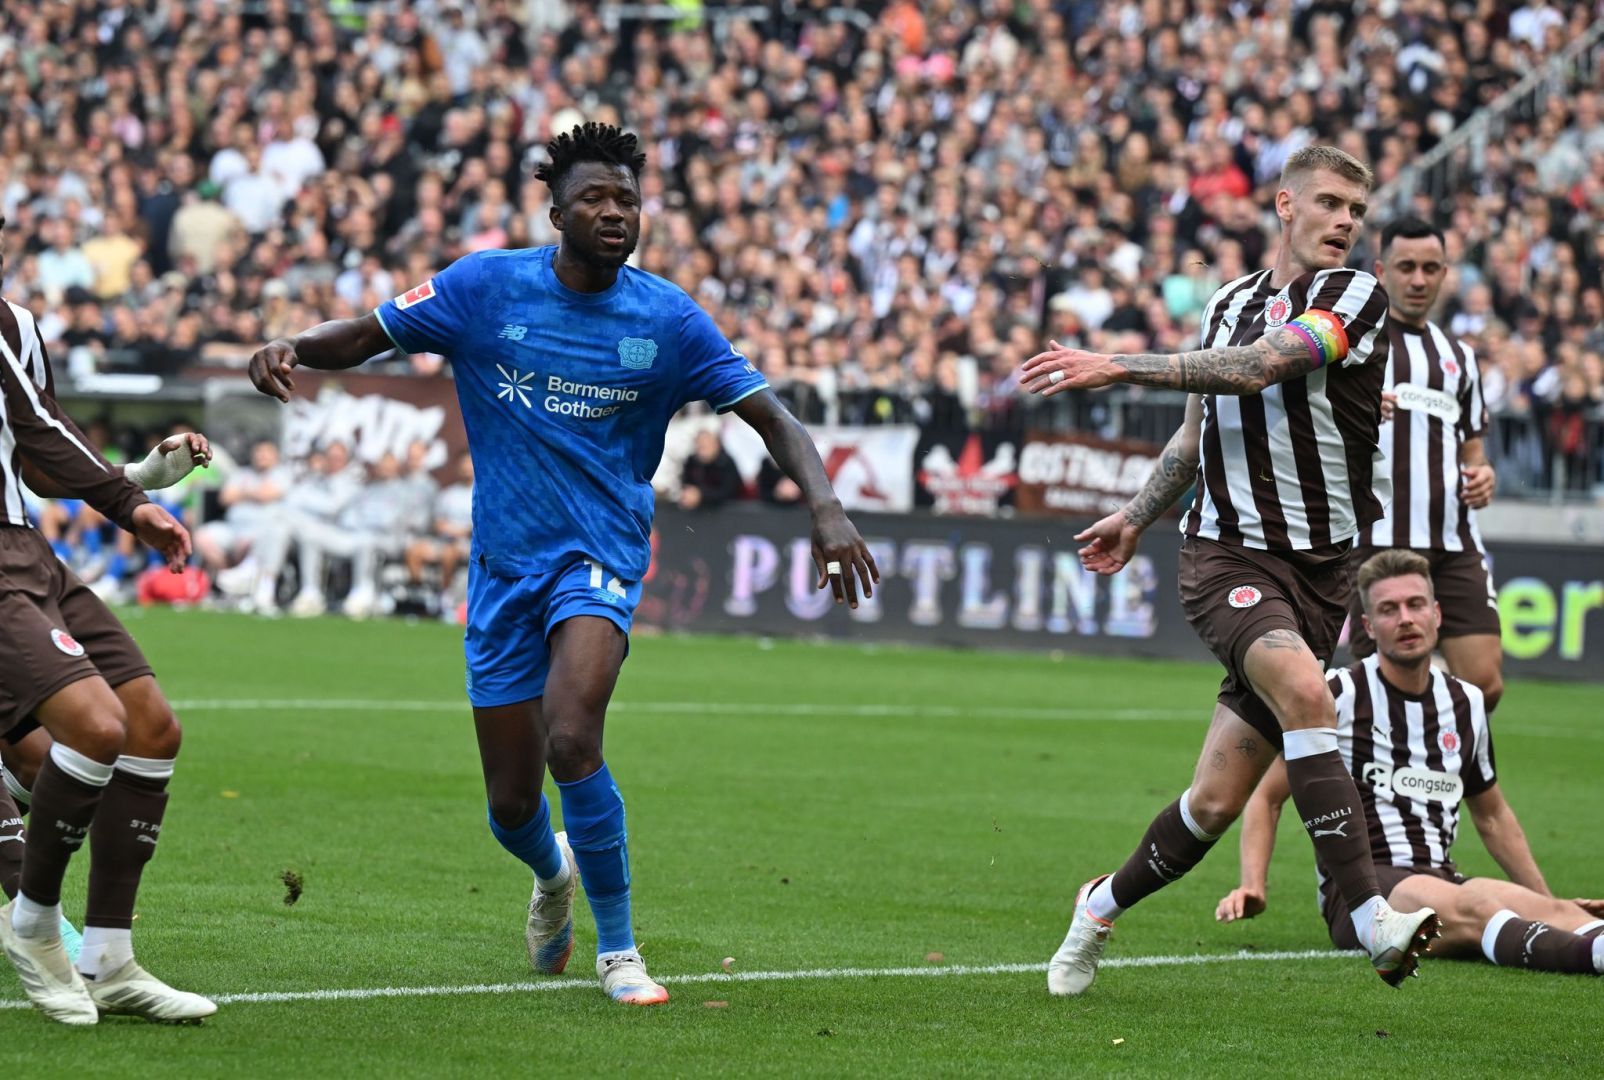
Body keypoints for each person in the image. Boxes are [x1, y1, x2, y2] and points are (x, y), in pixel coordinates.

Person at [248, 123, 879, 1006]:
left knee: (573, 734)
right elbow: (365, 334)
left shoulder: (668, 318)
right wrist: (291, 347)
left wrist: (827, 507)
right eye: (594, 198)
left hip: (603, 555)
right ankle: (553, 878)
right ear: (555, 211)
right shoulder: (481, 289)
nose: (614, 212)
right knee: (511, 804)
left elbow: (771, 414)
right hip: (506, 568)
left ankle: (620, 953)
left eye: (627, 198)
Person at [1021, 145, 1439, 995]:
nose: (1345, 224)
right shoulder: (1226, 303)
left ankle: (1100, 903)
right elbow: (1193, 438)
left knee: (1213, 805)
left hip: (1323, 576)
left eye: (1356, 213)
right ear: (1285, 206)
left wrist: (1119, 363)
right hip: (1225, 556)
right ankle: (1370, 917)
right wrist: (1138, 519)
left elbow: (1259, 369)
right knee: (1309, 694)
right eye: (1329, 204)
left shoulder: (1355, 296)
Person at [0, 224, 215, 1025]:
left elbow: (40, 443)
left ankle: (110, 958)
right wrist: (130, 500)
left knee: (151, 728)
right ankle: (31, 927)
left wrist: (137, 484)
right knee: (93, 727)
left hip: (29, 549)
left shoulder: (14, 328)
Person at [1216, 550, 1604, 975]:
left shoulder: (1467, 702)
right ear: (1367, 626)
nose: (1405, 618)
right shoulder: (1337, 693)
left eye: (1415, 604)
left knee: (1562, 914)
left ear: (1436, 614)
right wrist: (1253, 883)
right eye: (1388, 609)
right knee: (1478, 906)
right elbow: (1268, 797)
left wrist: (1547, 903)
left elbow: (1492, 816)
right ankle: (1590, 960)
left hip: (1441, 880)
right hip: (1366, 896)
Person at [1352, 217, 1503, 710]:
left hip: (1452, 540)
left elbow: (1473, 455)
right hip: (1376, 540)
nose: (1419, 279)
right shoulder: (1355, 347)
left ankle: (1433, 780)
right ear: (1381, 271)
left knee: (1484, 685)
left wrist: (1482, 477)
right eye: (1407, 267)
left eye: (1431, 268)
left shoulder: (1459, 356)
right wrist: (1356, 412)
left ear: (1444, 274)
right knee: (1379, 691)